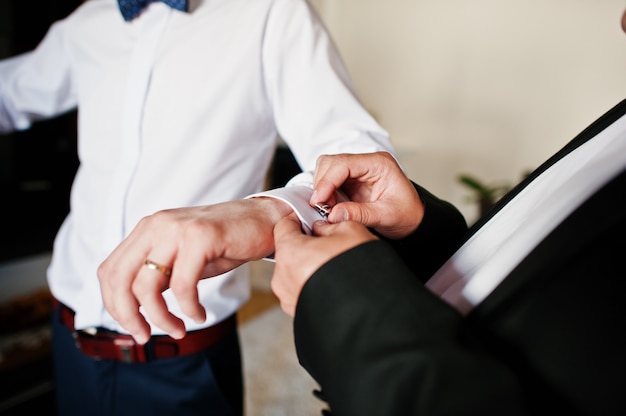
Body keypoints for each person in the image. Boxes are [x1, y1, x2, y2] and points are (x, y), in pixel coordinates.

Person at [97, 6, 626, 415]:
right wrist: (418, 225)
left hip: (185, 340)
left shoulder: (268, 13)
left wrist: (345, 288)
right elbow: (518, 279)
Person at [0, 0, 396, 414]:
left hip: (183, 362)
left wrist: (266, 213)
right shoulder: (88, 20)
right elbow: (9, 95)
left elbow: (363, 165)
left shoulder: (272, 12)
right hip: (70, 340)